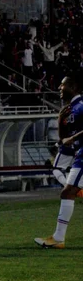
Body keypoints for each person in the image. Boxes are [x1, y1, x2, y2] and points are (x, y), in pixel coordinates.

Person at [35, 76, 83, 249]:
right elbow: (63, 141)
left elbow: (70, 139)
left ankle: (58, 238)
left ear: (73, 86)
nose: (59, 87)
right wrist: (60, 122)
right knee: (68, 192)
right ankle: (58, 238)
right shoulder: (69, 110)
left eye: (63, 85)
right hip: (79, 154)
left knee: (68, 192)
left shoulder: (81, 106)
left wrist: (73, 137)